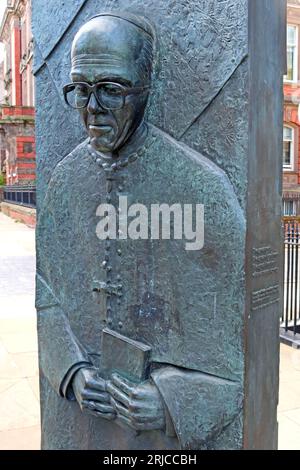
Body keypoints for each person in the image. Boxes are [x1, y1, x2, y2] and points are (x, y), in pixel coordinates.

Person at [37, 12, 245, 450]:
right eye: (81, 89)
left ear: (146, 88)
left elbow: (243, 350)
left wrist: (170, 402)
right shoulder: (64, 181)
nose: (92, 108)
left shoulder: (202, 188)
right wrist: (72, 372)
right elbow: (47, 295)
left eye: (111, 90)